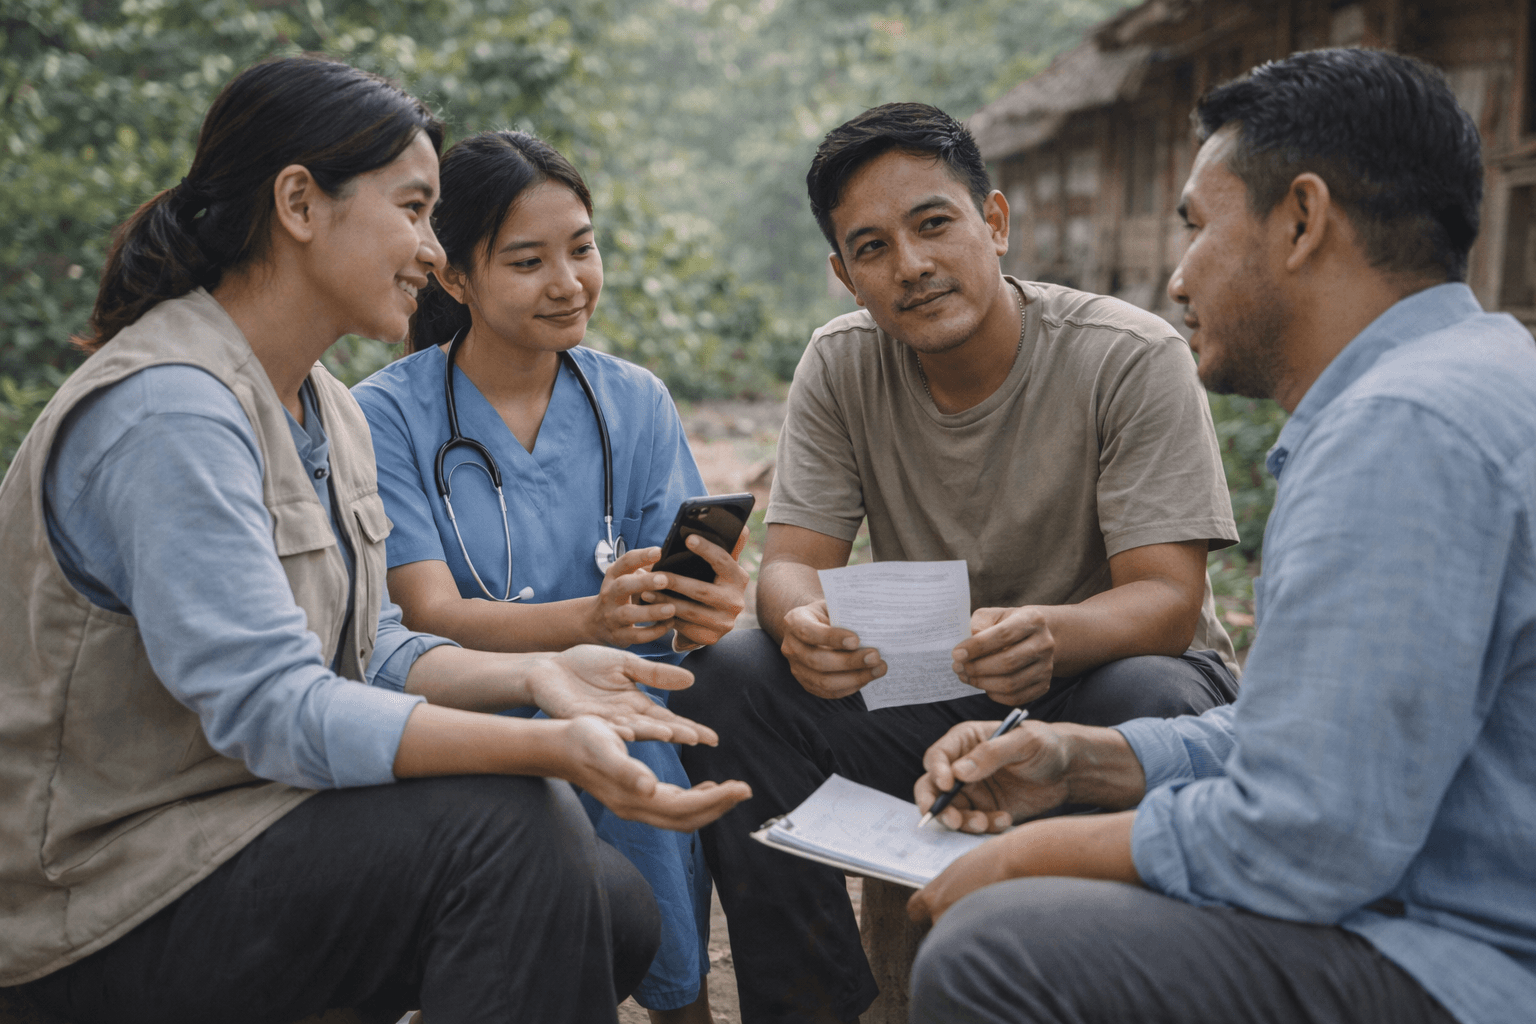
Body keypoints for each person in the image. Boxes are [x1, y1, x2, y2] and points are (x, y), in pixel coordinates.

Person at [0, 56, 749, 1024]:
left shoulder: (324, 410)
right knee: (511, 826)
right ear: (301, 204)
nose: (433, 251)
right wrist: (542, 748)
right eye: (413, 209)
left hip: (244, 828)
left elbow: (370, 645)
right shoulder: (170, 411)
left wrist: (541, 676)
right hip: (107, 895)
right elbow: (274, 706)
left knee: (611, 906)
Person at [904, 48, 1536, 1024]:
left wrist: (1023, 853)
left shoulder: (1403, 428)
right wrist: (1077, 759)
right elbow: (1314, 735)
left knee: (997, 949)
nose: (1179, 272)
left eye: (1198, 226)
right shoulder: (1476, 371)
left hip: (1466, 960)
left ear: (1302, 219)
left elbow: (1303, 837)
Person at [670, 101, 1243, 1023]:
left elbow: (1168, 601)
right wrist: (802, 623)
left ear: (996, 223)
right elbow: (792, 565)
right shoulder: (841, 363)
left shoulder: (1129, 358)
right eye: (872, 247)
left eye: (934, 224)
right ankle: (811, 1002)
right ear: (844, 275)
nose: (913, 266)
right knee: (732, 676)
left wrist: (1052, 633)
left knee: (1153, 694)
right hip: (934, 690)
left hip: (1111, 680)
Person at [352, 129, 749, 1024]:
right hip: (463, 704)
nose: (569, 282)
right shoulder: (388, 415)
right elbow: (430, 612)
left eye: (582, 247)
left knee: (642, 729)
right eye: (529, 261)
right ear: (454, 276)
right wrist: (594, 623)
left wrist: (706, 603)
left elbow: (672, 609)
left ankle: (678, 1001)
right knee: (620, 740)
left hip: (618, 692)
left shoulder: (633, 400)